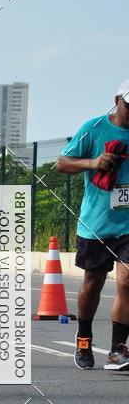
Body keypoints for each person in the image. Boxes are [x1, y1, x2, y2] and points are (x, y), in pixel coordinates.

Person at [56, 79, 129, 371]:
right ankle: (84, 339)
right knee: (92, 284)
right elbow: (62, 163)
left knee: (127, 282)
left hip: (127, 226)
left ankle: (117, 351)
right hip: (96, 224)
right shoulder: (94, 127)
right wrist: (93, 163)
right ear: (117, 100)